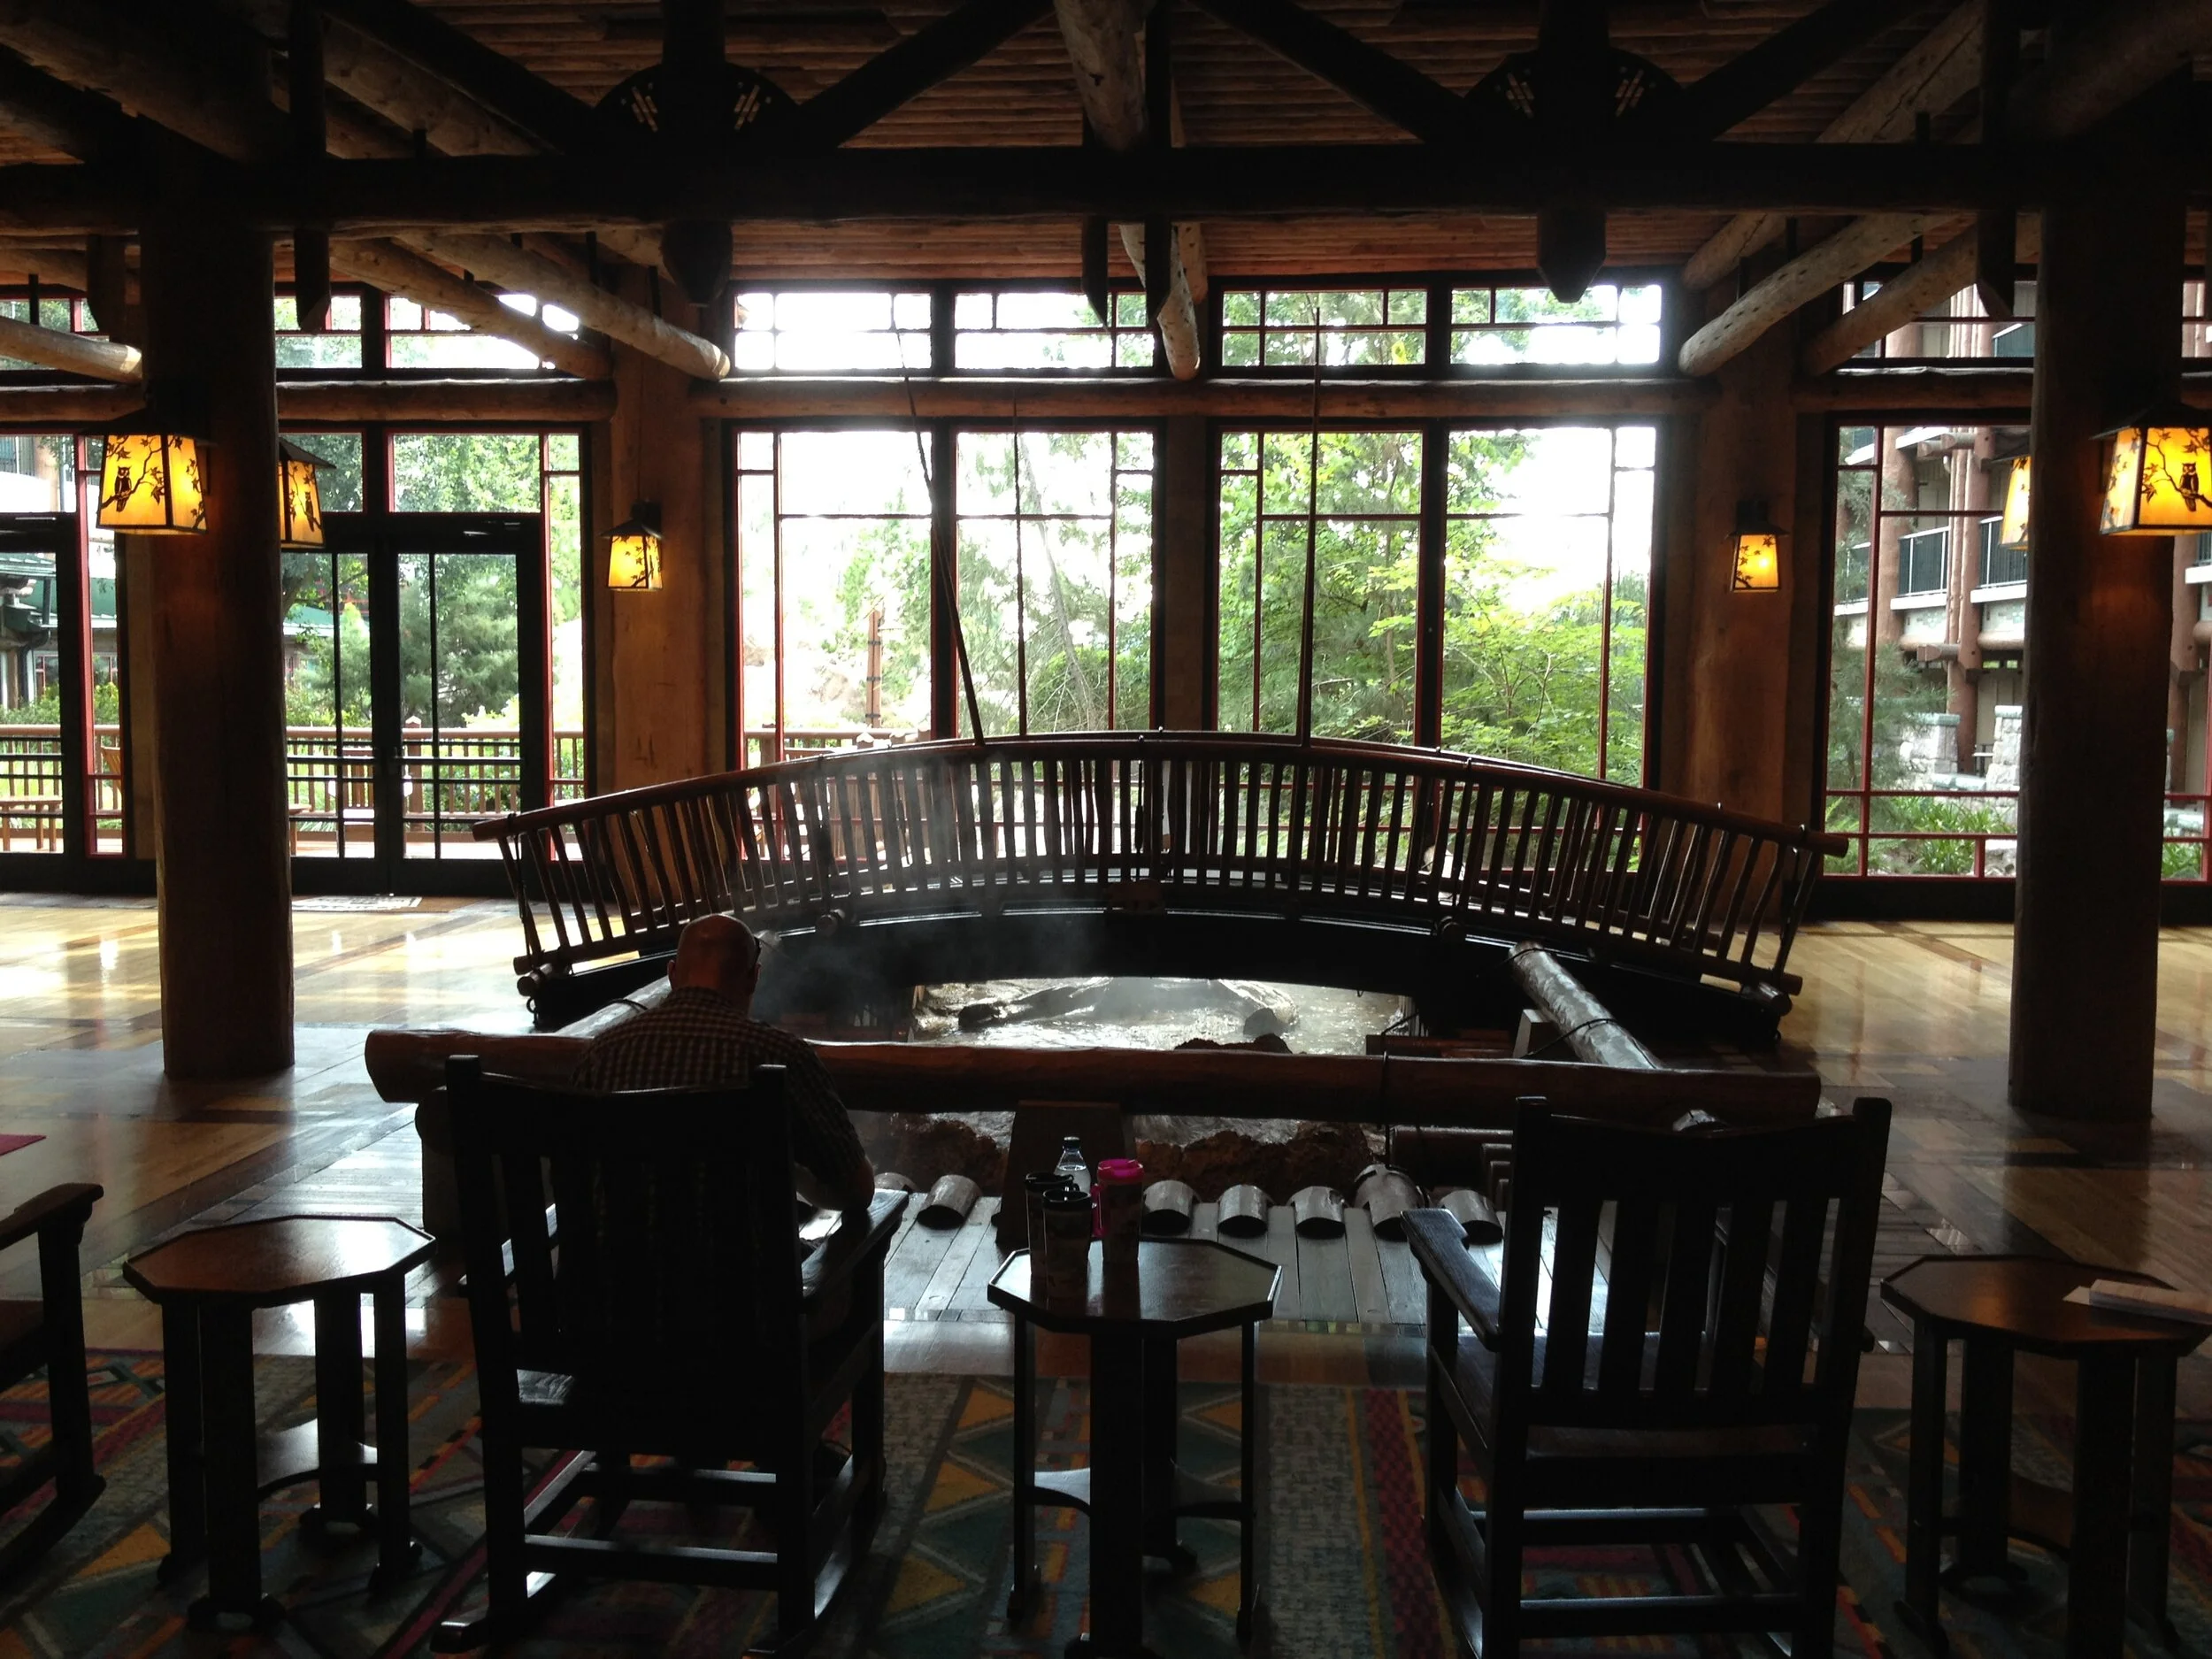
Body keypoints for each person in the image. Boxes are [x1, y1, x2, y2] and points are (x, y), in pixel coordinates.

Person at [574, 913, 878, 1216]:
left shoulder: (600, 1054)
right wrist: (794, 1172)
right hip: (739, 1264)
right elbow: (857, 1190)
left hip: (613, 1261)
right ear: (754, 977)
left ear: (672, 974)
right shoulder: (778, 1055)